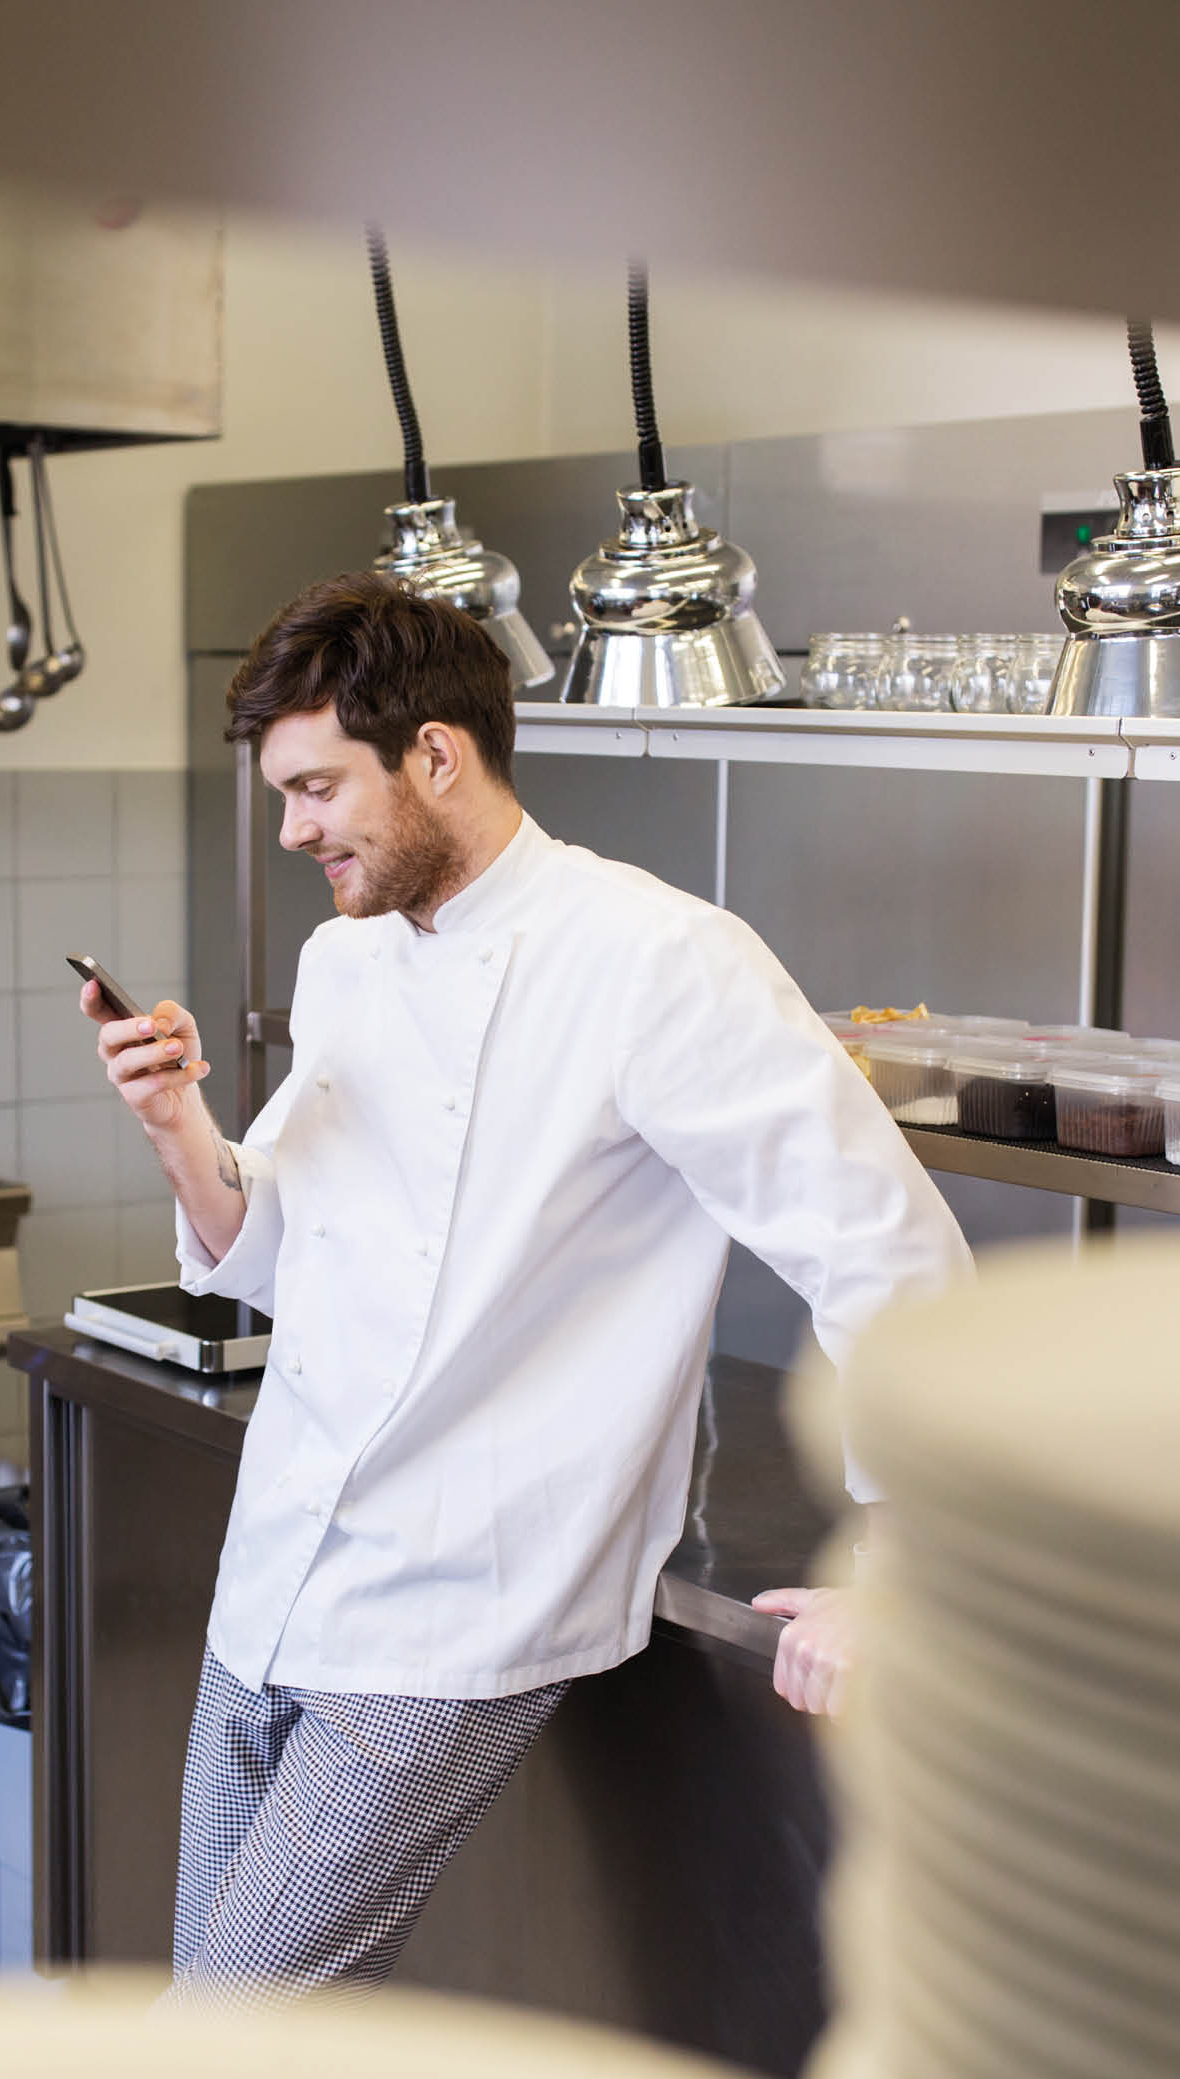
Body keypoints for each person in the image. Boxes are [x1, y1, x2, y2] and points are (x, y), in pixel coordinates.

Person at [86, 572, 971, 2004]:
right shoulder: (345, 955)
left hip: (459, 1593)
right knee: (224, 2030)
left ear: (436, 753)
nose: (294, 829)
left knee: (230, 2030)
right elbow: (278, 1254)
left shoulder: (658, 961)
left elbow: (881, 1243)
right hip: (277, 1568)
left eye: (317, 789)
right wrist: (176, 1123)